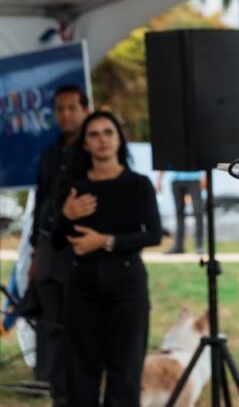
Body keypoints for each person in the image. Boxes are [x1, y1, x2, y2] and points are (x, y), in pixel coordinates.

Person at [53, 111, 162, 407]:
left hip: (126, 287)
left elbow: (153, 235)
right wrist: (66, 215)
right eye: (94, 134)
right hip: (83, 288)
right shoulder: (74, 187)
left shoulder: (138, 184)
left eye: (108, 132)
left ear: (119, 139)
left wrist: (106, 241)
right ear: (85, 144)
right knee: (81, 376)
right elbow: (57, 240)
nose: (102, 139)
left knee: (125, 374)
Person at [29, 83, 89, 406]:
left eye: (71, 108)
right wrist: (34, 254)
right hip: (47, 250)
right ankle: (58, 396)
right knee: (50, 327)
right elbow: (40, 203)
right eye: (60, 109)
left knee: (77, 328)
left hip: (78, 250)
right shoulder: (50, 153)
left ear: (84, 110)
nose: (65, 115)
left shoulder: (93, 152)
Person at [155, 169, 206, 254]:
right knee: (179, 214)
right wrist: (159, 180)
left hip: (195, 179)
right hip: (176, 179)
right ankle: (179, 247)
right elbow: (163, 162)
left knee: (198, 213)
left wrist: (205, 177)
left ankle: (199, 246)